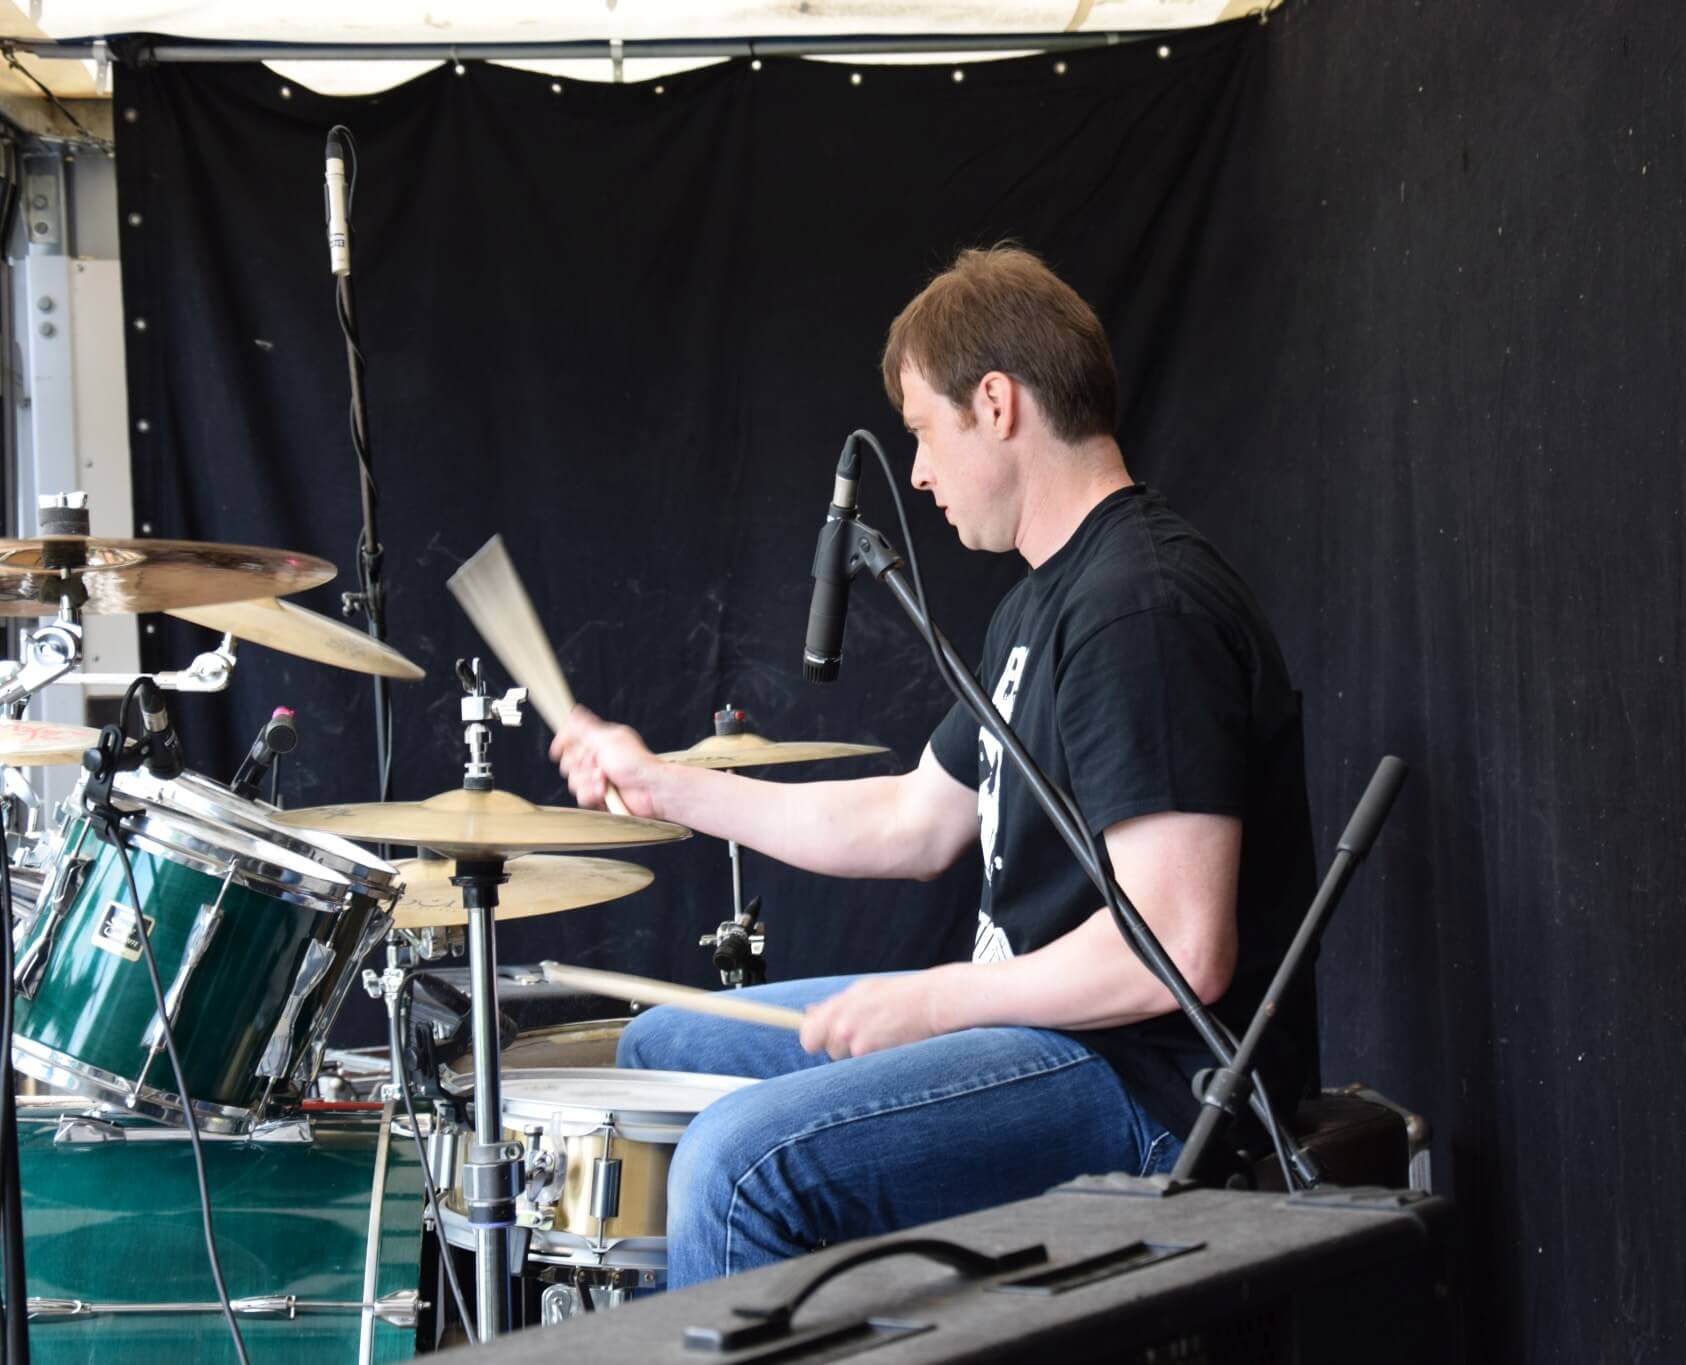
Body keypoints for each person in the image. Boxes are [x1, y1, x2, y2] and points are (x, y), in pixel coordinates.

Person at [551, 244, 1317, 1289]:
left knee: (737, 1166)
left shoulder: (1138, 610)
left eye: (921, 431)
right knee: (663, 1054)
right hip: (1040, 1030)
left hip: (1153, 1086)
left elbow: (1175, 952)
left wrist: (938, 1001)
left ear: (995, 404)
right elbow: (912, 822)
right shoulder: (1037, 604)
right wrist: (664, 785)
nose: (915, 473)